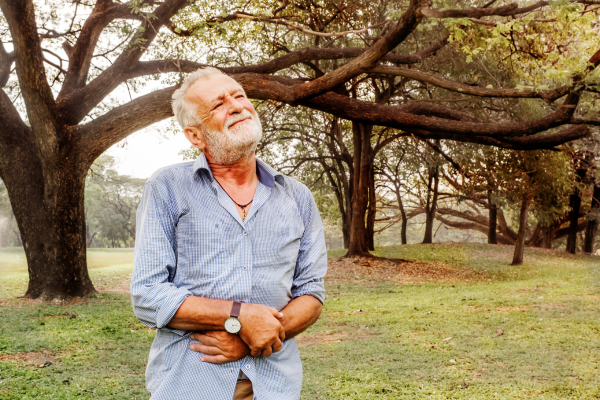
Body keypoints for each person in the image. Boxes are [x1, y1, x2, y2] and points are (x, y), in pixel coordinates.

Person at [130, 67, 328, 400]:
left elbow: (310, 293)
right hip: (189, 386)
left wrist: (246, 340)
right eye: (219, 104)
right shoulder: (167, 188)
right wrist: (239, 315)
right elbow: (147, 295)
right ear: (195, 136)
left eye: (239, 96)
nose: (236, 106)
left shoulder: (297, 196)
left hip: (275, 387)